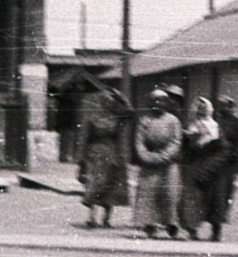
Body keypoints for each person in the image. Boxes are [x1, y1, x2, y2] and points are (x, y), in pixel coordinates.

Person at [131, 88, 183, 239]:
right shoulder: (144, 120)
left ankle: (171, 224)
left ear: (167, 103)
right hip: (149, 161)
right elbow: (139, 142)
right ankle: (149, 224)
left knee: (170, 193)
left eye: (161, 101)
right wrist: (147, 157)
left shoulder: (173, 121)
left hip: (169, 163)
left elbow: (176, 141)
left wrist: (164, 156)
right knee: (148, 193)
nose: (158, 103)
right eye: (155, 100)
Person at [78, 89, 131, 229]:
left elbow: (130, 112)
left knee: (111, 186)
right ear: (101, 102)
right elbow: (84, 138)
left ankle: (106, 219)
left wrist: (120, 96)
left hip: (112, 155)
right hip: (94, 155)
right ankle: (92, 218)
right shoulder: (92, 118)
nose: (108, 103)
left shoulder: (117, 118)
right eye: (105, 101)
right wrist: (81, 160)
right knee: (94, 185)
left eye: (110, 101)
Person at [179, 97, 230, 241]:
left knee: (215, 199)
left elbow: (224, 149)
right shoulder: (192, 125)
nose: (201, 110)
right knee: (192, 199)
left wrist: (212, 165)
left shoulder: (216, 127)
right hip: (195, 165)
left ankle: (216, 231)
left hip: (214, 167)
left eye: (204, 107)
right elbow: (187, 148)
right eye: (199, 107)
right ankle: (192, 230)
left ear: (209, 109)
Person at [213, 96, 238, 223]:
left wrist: (236, 155)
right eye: (221, 105)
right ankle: (214, 212)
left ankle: (225, 212)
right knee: (215, 185)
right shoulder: (215, 119)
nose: (223, 108)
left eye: (226, 105)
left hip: (229, 158)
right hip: (214, 157)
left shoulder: (235, 122)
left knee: (227, 187)